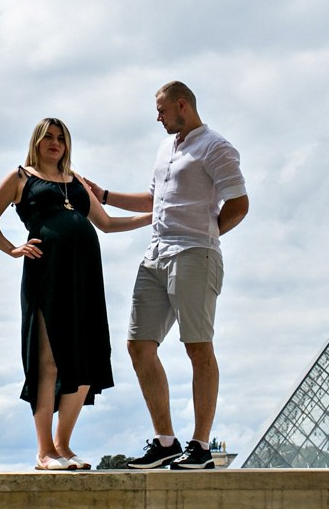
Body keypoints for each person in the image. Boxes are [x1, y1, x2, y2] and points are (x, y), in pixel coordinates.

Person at [85, 81, 249, 471]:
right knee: (138, 345)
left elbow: (240, 204)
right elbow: (153, 199)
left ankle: (201, 447)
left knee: (198, 347)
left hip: (194, 254)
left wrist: (206, 235)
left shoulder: (216, 147)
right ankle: (165, 443)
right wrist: (103, 195)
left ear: (182, 105)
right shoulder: (165, 148)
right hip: (155, 255)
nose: (157, 117)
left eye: (161, 110)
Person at [0, 117, 151, 471]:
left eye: (61, 138)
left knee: (86, 359)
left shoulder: (76, 180)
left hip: (85, 276)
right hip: (47, 274)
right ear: (37, 142)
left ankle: (63, 446)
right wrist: (13, 248)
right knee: (49, 362)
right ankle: (44, 452)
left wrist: (153, 216)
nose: (55, 143)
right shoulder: (20, 177)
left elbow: (107, 223)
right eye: (49, 137)